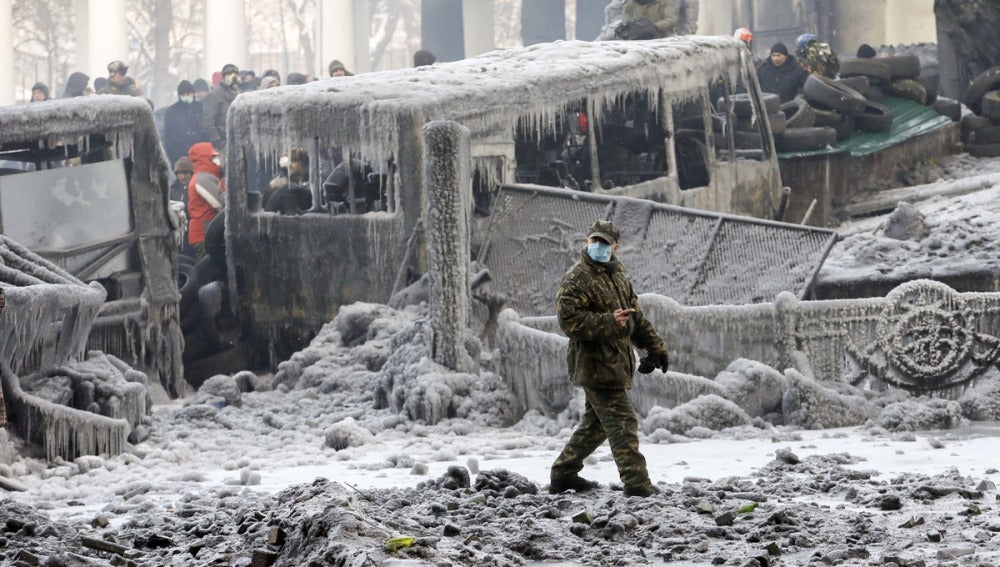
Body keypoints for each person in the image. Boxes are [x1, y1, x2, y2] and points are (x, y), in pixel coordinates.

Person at [549, 220, 670, 498]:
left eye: (605, 243)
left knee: (595, 426)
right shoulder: (577, 277)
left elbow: (635, 319)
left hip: (615, 364)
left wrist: (656, 347)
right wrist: (607, 322)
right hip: (595, 366)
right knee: (623, 423)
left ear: (615, 247)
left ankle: (563, 474)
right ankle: (638, 485)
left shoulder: (618, 277)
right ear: (586, 242)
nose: (599, 247)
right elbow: (568, 321)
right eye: (595, 241)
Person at [186, 142, 225, 260]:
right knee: (208, 270)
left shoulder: (208, 177)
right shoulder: (202, 178)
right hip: (204, 234)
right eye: (212, 157)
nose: (216, 160)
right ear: (204, 159)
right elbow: (220, 203)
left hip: (208, 232)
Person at [163, 80, 207, 167]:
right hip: (179, 155)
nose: (187, 96)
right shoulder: (172, 111)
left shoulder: (200, 108)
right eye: (184, 94)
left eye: (189, 93)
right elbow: (167, 138)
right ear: (179, 95)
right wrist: (173, 159)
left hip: (200, 154)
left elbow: (206, 129)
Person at [201, 63, 240, 153]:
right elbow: (208, 121)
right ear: (224, 77)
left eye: (236, 74)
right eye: (229, 74)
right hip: (222, 144)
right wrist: (218, 141)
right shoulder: (215, 95)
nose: (233, 77)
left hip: (238, 142)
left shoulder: (239, 93)